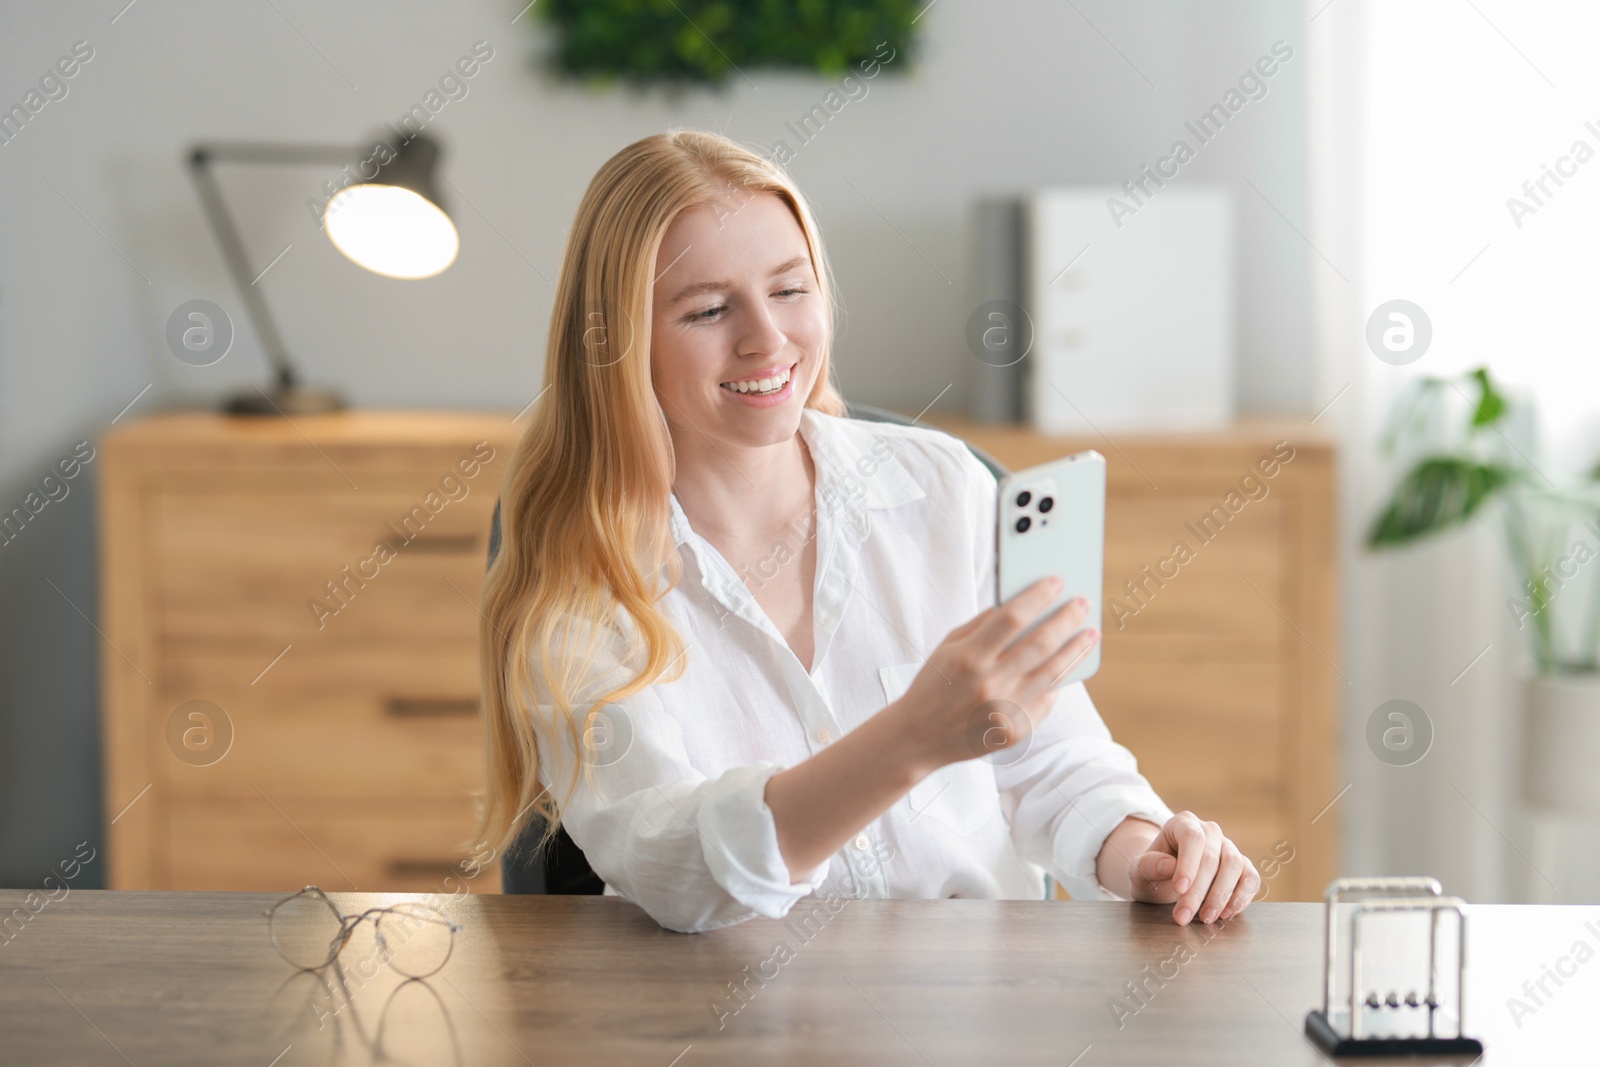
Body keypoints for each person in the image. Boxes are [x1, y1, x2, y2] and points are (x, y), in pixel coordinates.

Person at [476, 128, 1260, 934]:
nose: (766, 339)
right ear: (615, 343)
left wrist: (1144, 853)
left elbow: (1054, 764)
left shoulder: (945, 488)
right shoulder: (577, 577)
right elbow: (678, 867)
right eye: (709, 309)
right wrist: (909, 740)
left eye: (790, 290)